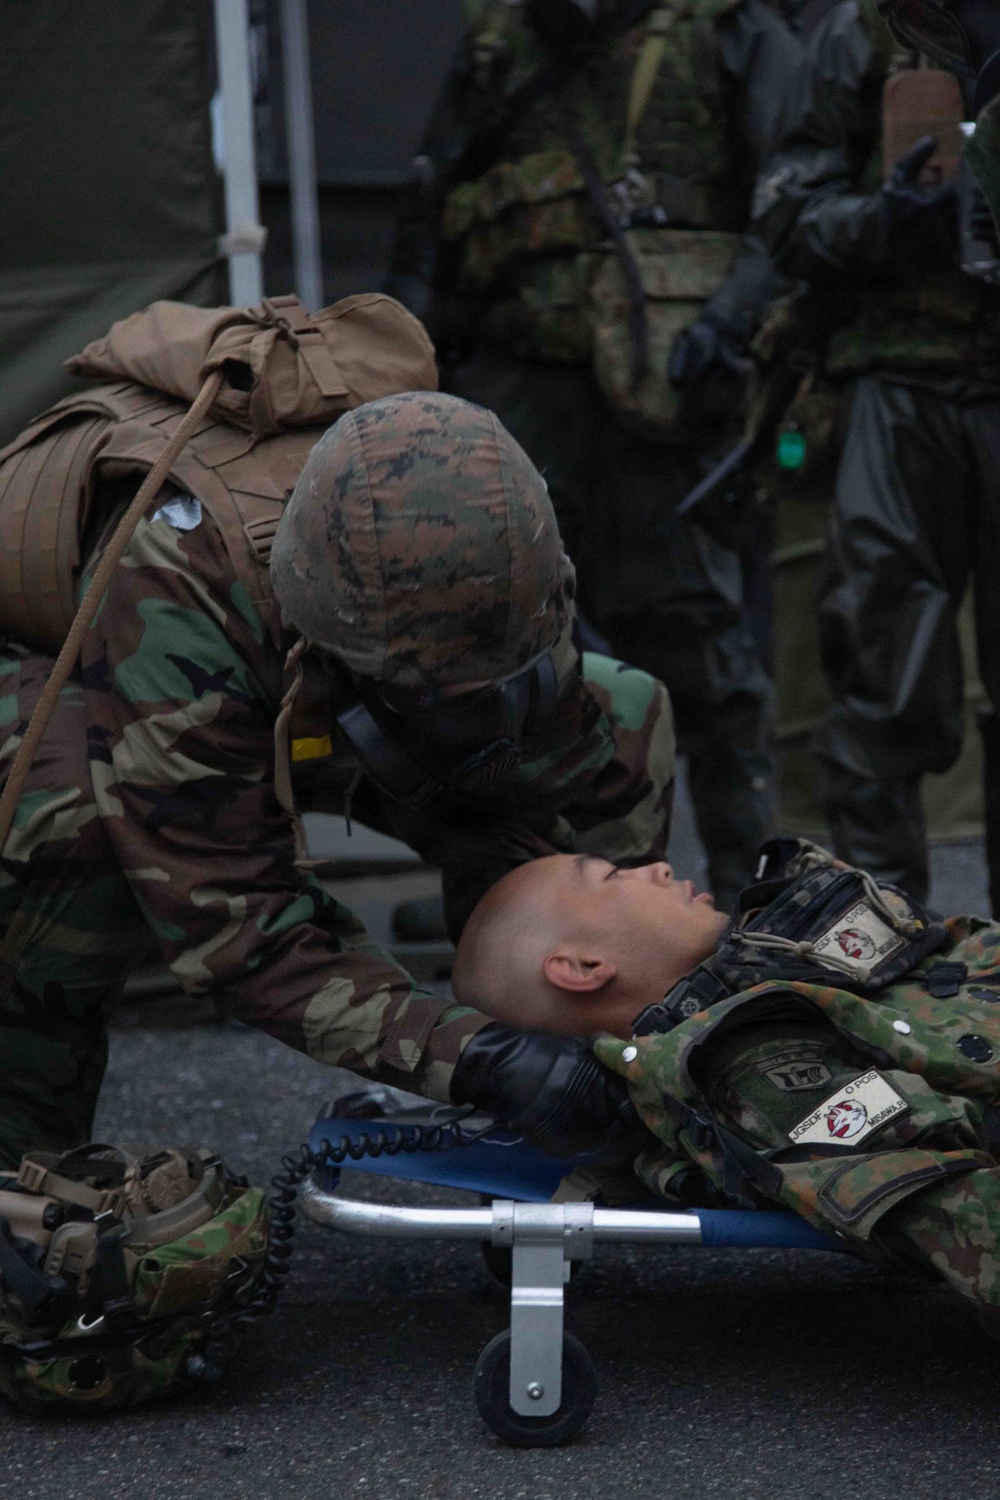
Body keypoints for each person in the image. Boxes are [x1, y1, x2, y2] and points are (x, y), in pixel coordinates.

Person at [0, 387, 674, 1169]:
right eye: (427, 687)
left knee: (627, 715)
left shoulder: (508, 562)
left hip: (347, 704)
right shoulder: (181, 585)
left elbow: (565, 757)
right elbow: (234, 926)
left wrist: (576, 1002)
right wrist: (473, 1056)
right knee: (61, 801)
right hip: (135, 707)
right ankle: (27, 1179)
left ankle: (601, 1104)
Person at [385, 0, 808, 908]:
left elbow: (792, 190)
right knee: (495, 659)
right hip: (514, 391)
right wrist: (407, 367)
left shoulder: (724, 29)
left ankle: (757, 911)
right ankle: (511, 907)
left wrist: (732, 321)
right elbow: (434, 203)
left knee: (706, 658)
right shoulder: (503, 39)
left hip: (666, 400)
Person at [452, 835, 1000, 1323]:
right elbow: (961, 1216)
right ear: (582, 967)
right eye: (615, 876)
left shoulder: (773, 959)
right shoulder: (756, 1076)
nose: (659, 869)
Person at [752, 0, 1000, 909]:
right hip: (902, 388)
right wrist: (887, 219)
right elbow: (786, 210)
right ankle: (883, 950)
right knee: (881, 680)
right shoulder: (873, 26)